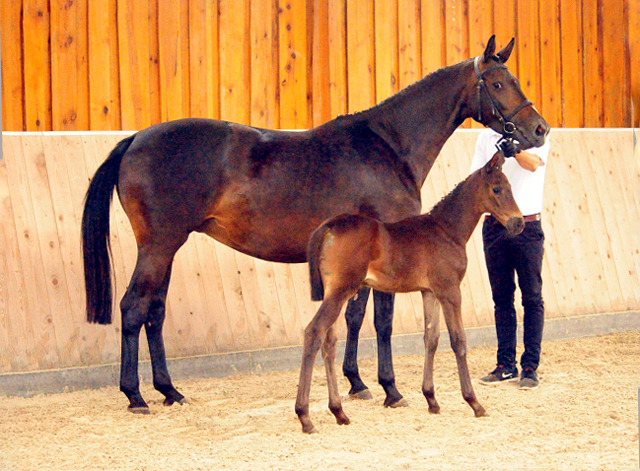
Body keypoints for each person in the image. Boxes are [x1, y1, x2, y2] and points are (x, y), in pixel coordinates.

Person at [470, 128, 550, 390]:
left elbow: (534, 164)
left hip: (526, 225)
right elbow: (477, 176)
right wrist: (497, 155)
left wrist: (514, 150)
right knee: (502, 299)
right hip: (495, 226)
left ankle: (529, 366)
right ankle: (505, 364)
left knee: (532, 297)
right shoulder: (486, 138)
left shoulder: (536, 133)